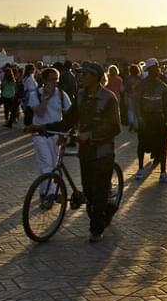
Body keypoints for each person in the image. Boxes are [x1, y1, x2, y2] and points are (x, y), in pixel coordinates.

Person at [61, 63, 122, 242]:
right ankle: (109, 208)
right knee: (89, 195)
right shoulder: (80, 96)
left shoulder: (108, 98)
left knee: (99, 193)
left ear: (95, 77)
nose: (80, 77)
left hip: (103, 153)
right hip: (86, 152)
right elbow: (68, 120)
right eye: (79, 74)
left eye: (84, 74)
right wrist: (42, 127)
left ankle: (96, 229)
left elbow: (114, 128)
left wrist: (92, 135)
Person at [28, 67, 72, 203]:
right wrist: (46, 98)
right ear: (44, 81)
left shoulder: (61, 95)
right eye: (51, 80)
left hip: (56, 135)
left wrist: (66, 133)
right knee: (46, 163)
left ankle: (44, 191)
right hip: (40, 135)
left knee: (52, 164)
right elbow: (39, 112)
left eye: (56, 80)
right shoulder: (35, 94)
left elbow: (70, 114)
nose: (54, 83)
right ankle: (51, 193)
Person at [134, 59, 167, 182]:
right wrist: (139, 117)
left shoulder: (163, 86)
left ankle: (163, 172)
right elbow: (137, 103)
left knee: (162, 146)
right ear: (149, 70)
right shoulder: (141, 85)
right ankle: (140, 168)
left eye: (157, 69)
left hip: (159, 118)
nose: (157, 71)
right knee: (142, 144)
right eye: (154, 69)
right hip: (145, 119)